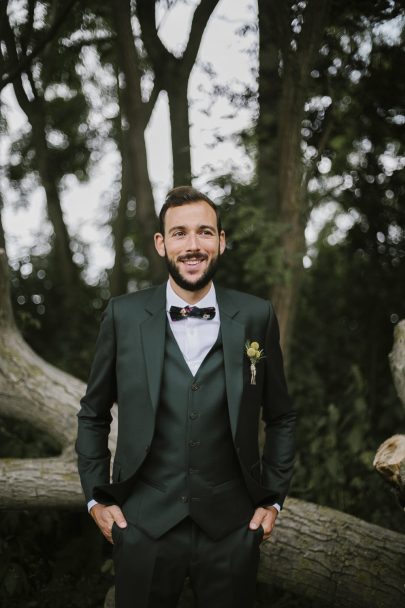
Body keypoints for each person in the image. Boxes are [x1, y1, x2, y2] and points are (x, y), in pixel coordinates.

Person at [76, 186, 296, 608]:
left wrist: (273, 500)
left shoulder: (255, 316)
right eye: (179, 233)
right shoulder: (123, 315)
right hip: (142, 525)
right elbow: (93, 414)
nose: (192, 246)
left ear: (221, 241)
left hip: (232, 529)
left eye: (204, 233)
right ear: (161, 243)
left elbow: (282, 416)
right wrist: (95, 499)